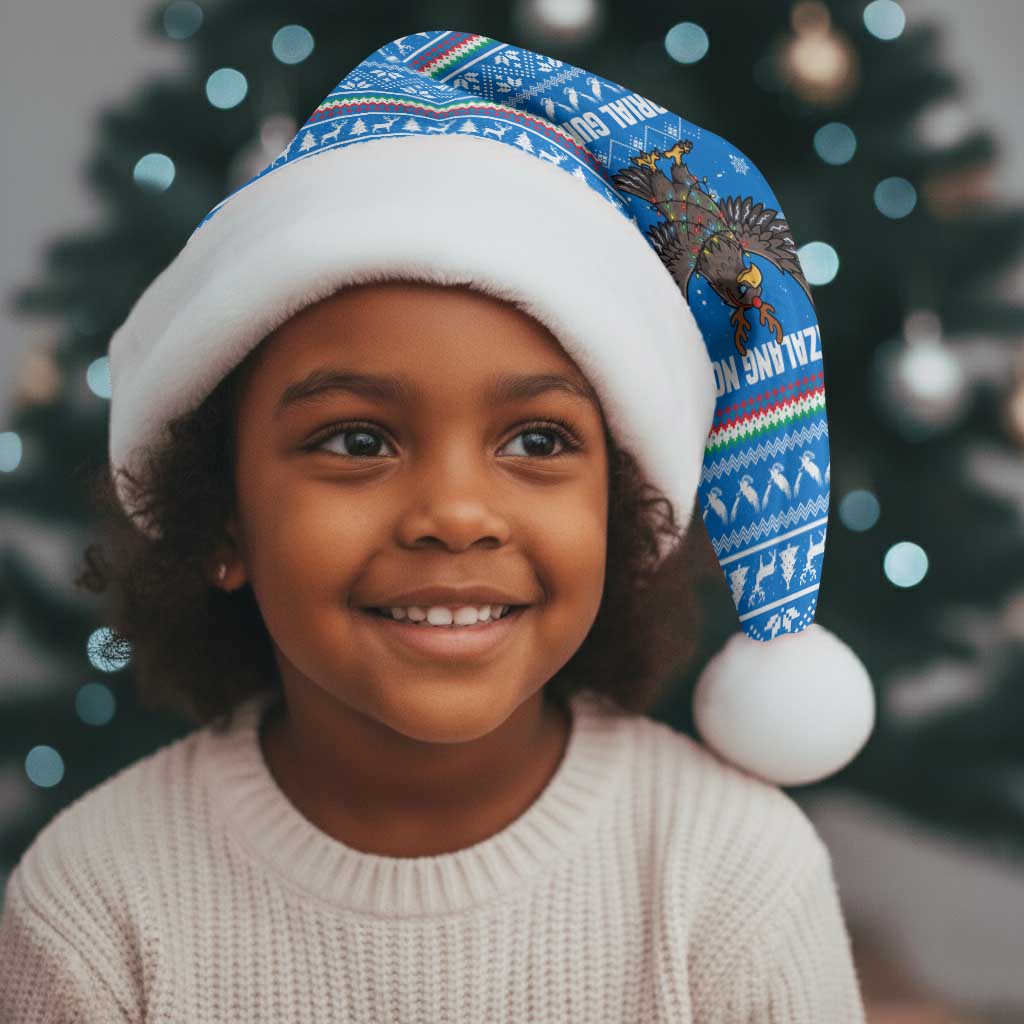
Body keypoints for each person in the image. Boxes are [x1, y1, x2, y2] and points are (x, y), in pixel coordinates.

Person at [0, 29, 874, 1022]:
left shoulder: (730, 873)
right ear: (220, 518)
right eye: (358, 440)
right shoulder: (97, 899)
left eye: (538, 441)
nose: (456, 514)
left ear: (621, 511)